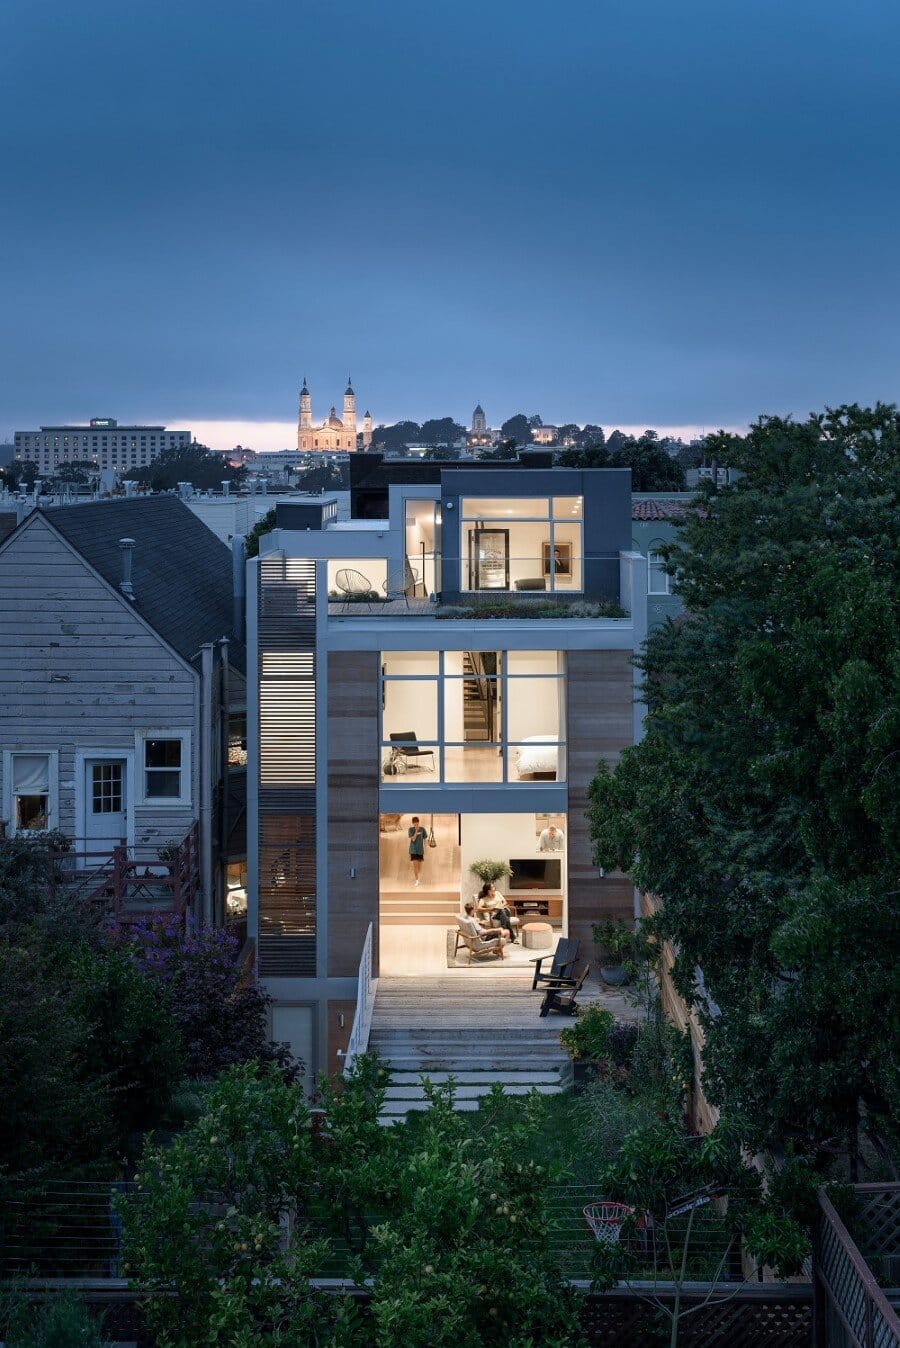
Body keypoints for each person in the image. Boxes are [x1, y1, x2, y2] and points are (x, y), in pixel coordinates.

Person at [408, 815, 427, 886]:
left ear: (418, 822)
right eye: (415, 824)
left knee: (419, 867)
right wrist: (416, 831)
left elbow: (425, 839)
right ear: (413, 823)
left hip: (420, 850)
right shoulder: (410, 830)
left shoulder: (422, 829)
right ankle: (417, 880)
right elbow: (413, 839)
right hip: (413, 850)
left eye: (417, 823)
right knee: (415, 866)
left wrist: (426, 846)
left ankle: (417, 877)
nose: (416, 825)